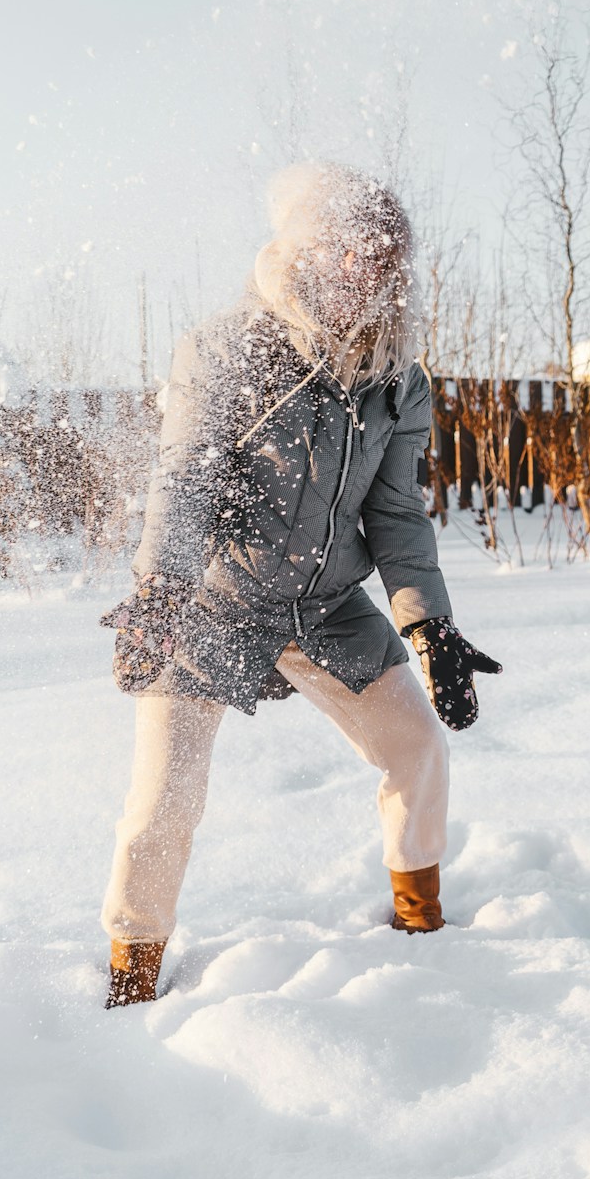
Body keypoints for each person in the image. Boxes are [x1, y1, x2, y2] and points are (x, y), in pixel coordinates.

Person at [96, 161, 500, 1008]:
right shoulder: (226, 350)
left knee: (418, 749)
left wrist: (430, 627)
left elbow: (395, 515)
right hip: (212, 600)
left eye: (390, 258)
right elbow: (186, 480)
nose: (377, 272)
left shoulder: (398, 379)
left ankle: (419, 920)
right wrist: (163, 589)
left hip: (326, 606)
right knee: (166, 792)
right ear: (311, 251)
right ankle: (132, 971)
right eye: (359, 252)